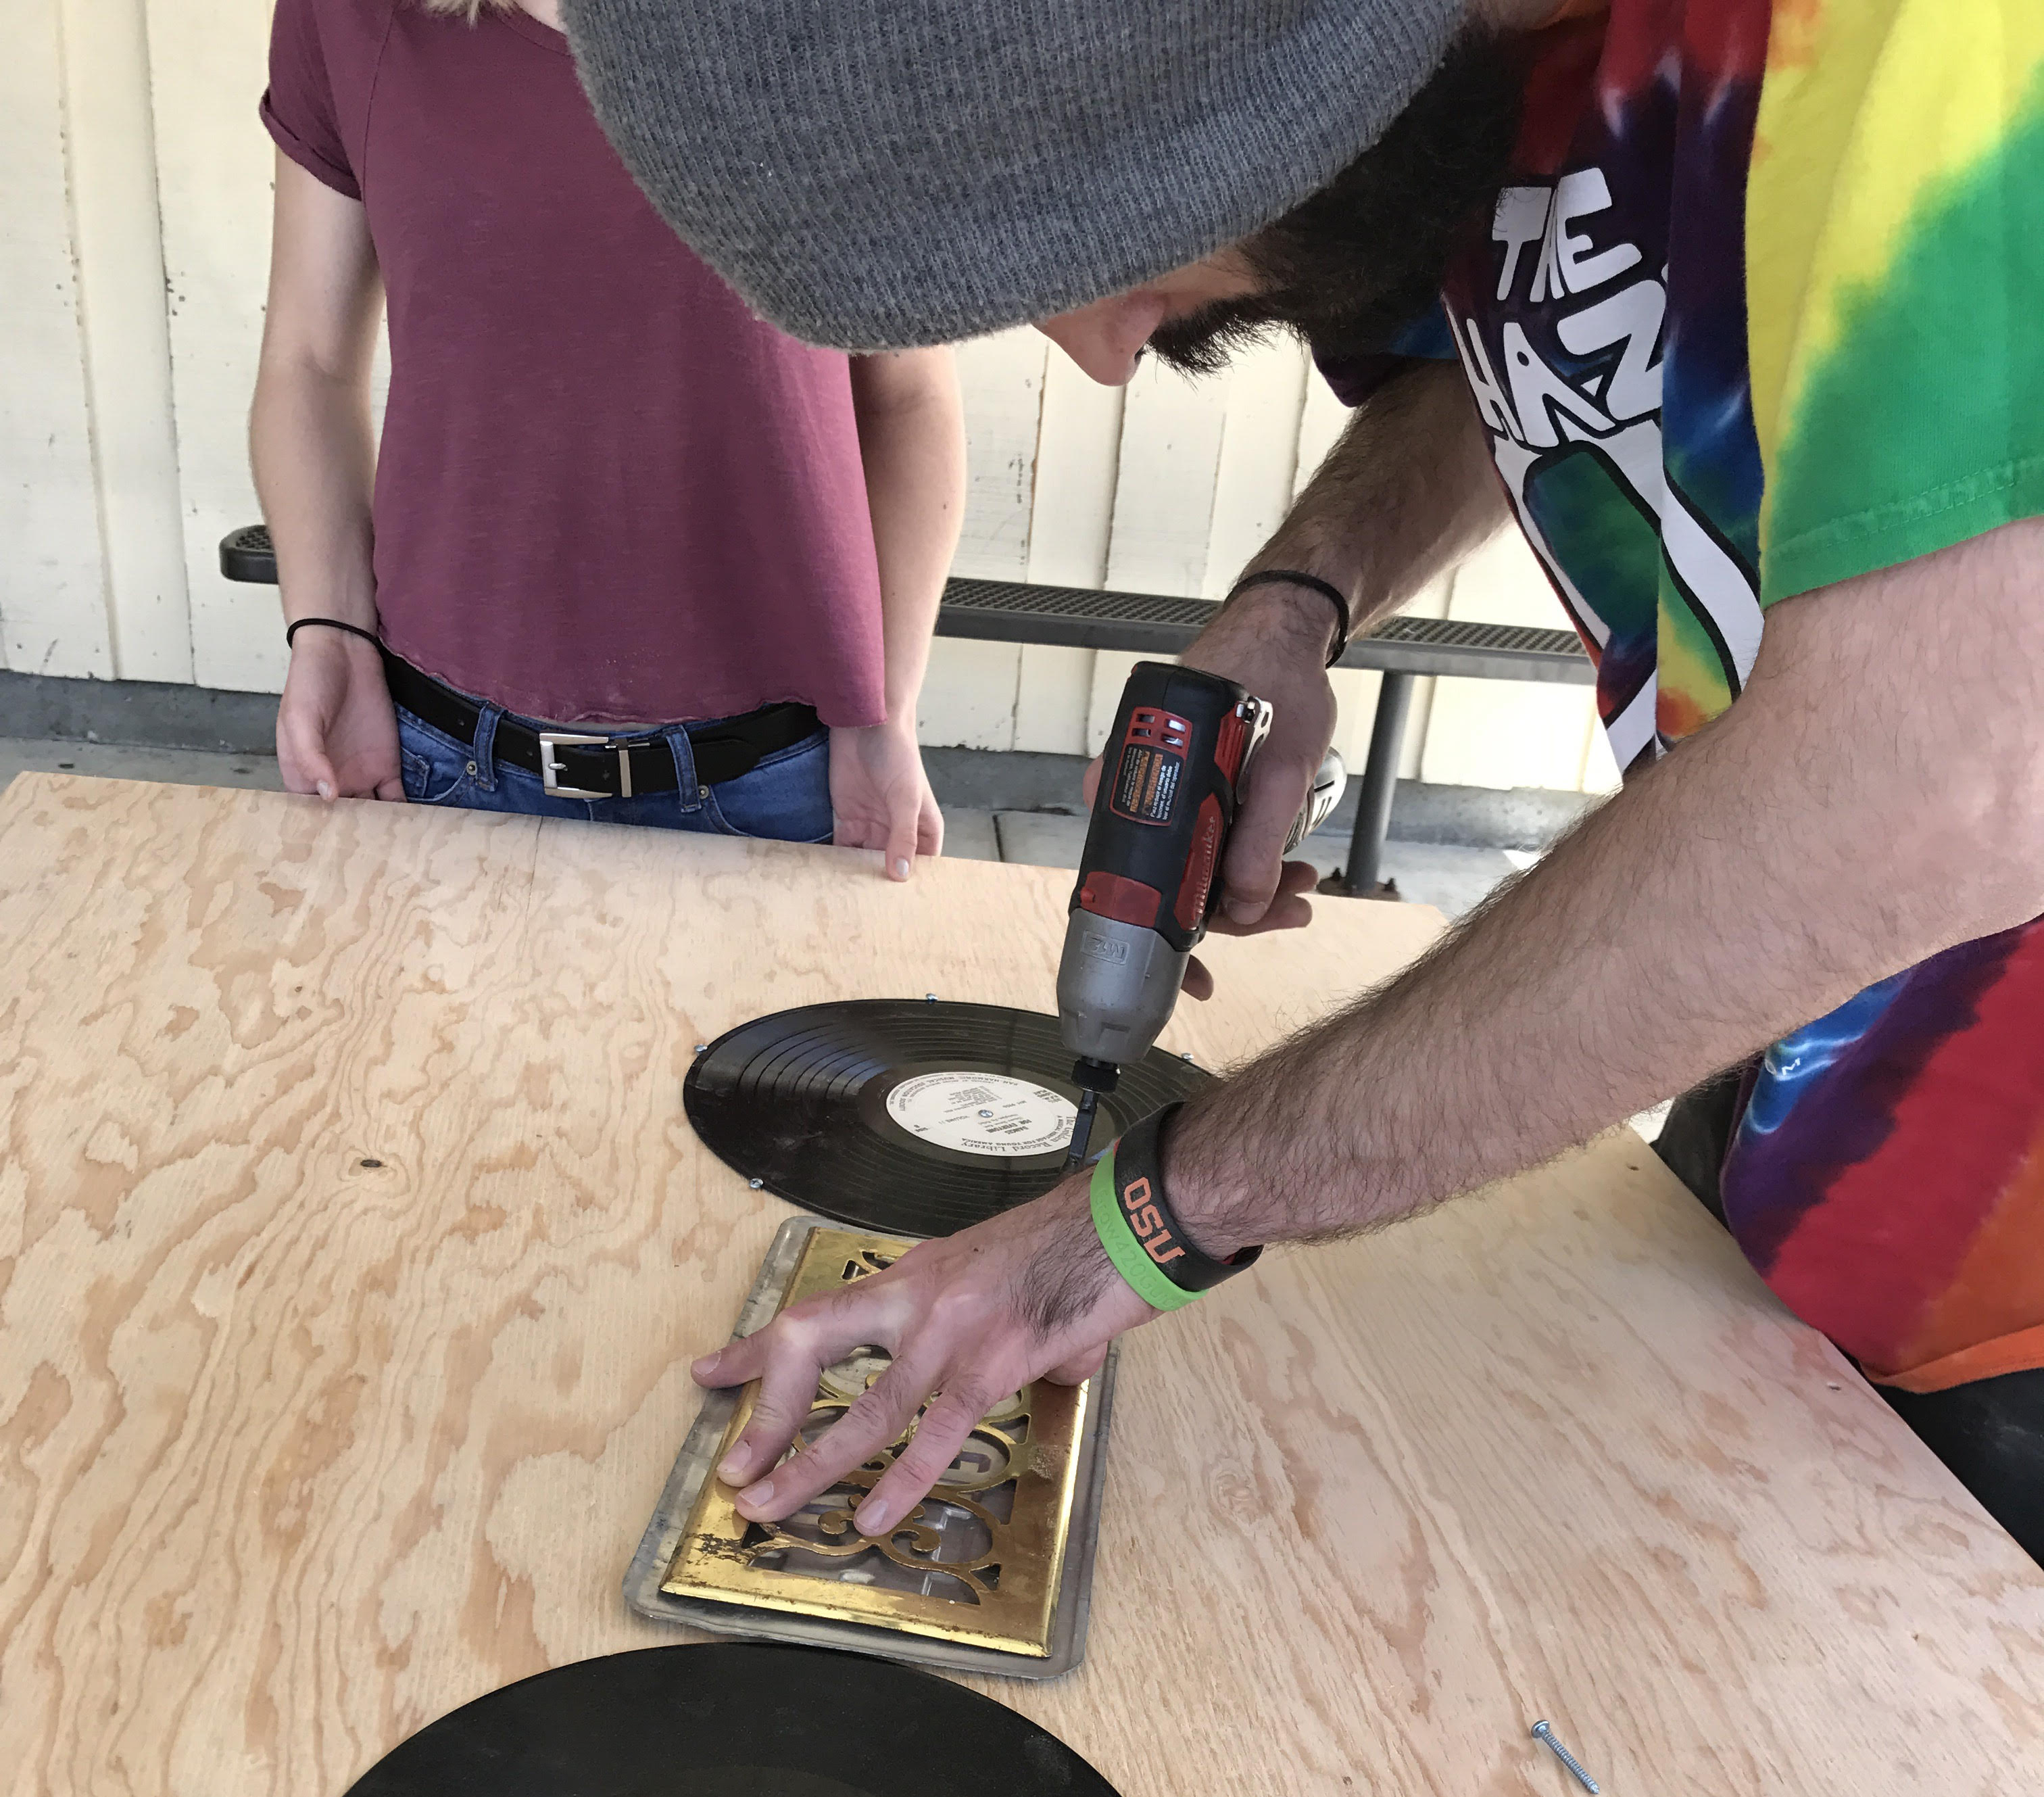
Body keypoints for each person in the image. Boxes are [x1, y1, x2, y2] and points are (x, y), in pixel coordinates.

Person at [565, 0, 2044, 1560]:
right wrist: (1298, 599)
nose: (1106, 355)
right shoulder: (1488, 76)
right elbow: (1518, 360)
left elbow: (1939, 782)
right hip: (1788, 1117)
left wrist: (1146, 1218)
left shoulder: (1927, 40)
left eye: (1084, 248)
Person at [251, 0, 963, 873]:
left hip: (785, 778)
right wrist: (328, 631)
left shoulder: (851, 27)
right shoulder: (352, 18)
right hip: (437, 761)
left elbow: (906, 397)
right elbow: (310, 363)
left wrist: (887, 705)